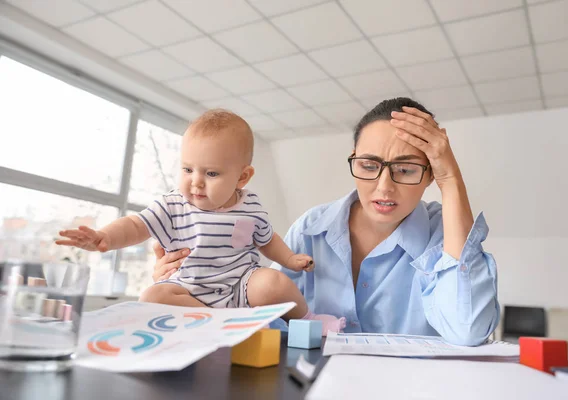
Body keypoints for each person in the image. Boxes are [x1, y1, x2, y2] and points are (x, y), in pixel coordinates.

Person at [151, 98, 500, 346]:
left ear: (428, 177)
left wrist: (451, 179)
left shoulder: (445, 232)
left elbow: (467, 329)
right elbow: (258, 312)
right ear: (353, 161)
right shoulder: (310, 228)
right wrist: (188, 282)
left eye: (406, 170)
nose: (384, 187)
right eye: (368, 165)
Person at [56, 109, 346, 335]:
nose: (195, 182)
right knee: (152, 296)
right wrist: (104, 237)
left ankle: (309, 320)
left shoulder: (251, 206)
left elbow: (267, 240)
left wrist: (291, 258)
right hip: (189, 292)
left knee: (273, 281)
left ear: (242, 177)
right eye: (187, 169)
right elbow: (135, 225)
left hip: (240, 287)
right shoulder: (173, 204)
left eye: (211, 174)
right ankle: (219, 322)